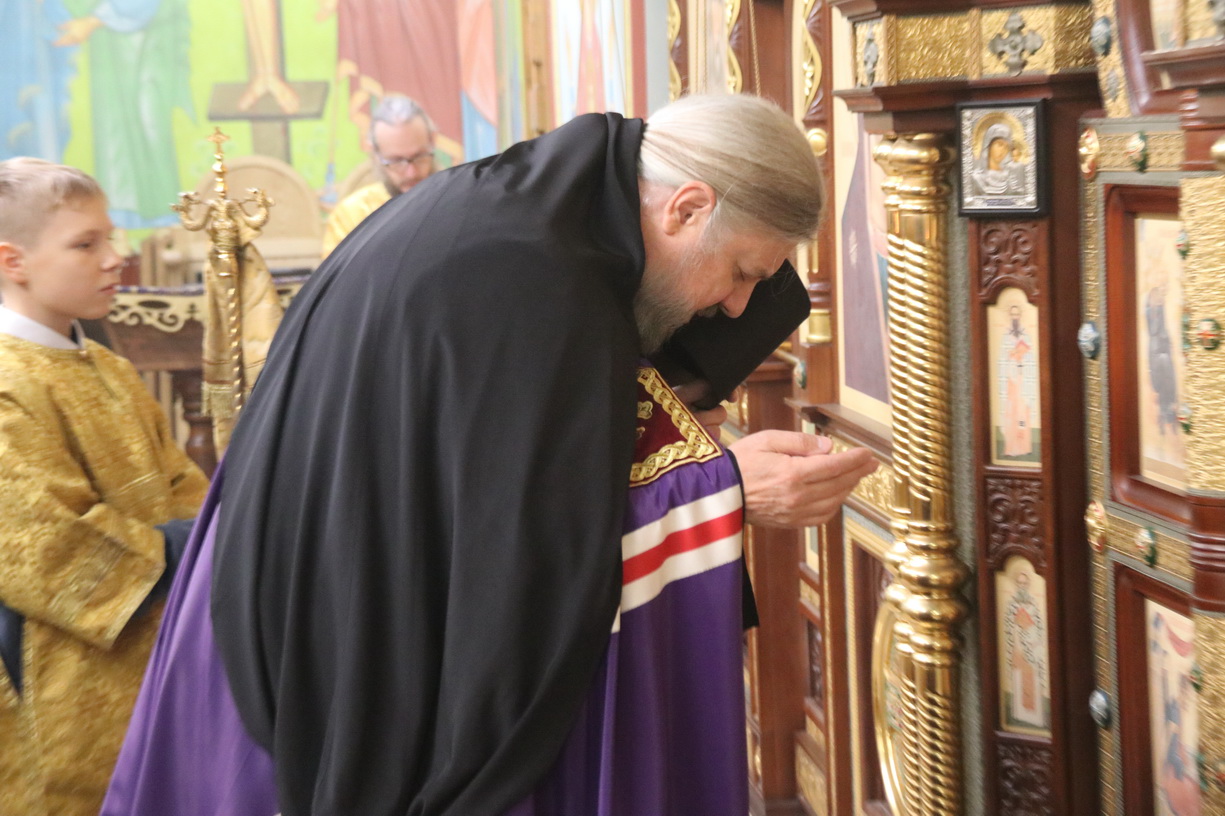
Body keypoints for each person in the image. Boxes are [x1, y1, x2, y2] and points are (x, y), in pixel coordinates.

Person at [103, 93, 877, 816]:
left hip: (289, 562)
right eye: (742, 272)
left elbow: (511, 448)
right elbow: (504, 544)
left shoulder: (549, 210)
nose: (738, 304)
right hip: (311, 643)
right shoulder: (529, 278)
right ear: (686, 207)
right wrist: (726, 491)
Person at [0, 158, 209, 815]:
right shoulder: (7, 382)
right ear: (13, 260)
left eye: (110, 238)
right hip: (60, 679)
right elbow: (44, 546)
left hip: (159, 655)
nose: (115, 259)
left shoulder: (112, 371)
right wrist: (193, 547)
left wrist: (213, 534)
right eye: (85, 244)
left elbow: (184, 487)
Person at [321, 94, 437, 258]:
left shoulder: (461, 201)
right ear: (375, 154)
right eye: (396, 161)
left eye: (419, 157)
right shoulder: (351, 216)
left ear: (433, 142)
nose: (411, 172)